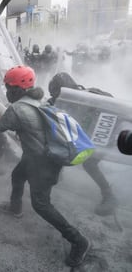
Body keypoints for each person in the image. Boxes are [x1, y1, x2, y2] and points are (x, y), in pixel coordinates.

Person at [0, 65, 90, 267]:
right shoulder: (37, 100)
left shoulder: (17, 109)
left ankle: (79, 241)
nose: (6, 91)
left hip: (43, 162)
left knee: (41, 204)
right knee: (17, 175)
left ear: (16, 89)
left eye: (8, 87)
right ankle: (15, 208)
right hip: (36, 156)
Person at [48, 72, 118, 216]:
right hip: (92, 137)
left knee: (89, 163)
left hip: (108, 137)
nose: (56, 98)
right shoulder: (72, 99)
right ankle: (56, 174)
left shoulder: (91, 96)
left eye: (57, 94)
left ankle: (109, 195)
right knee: (62, 141)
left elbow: (115, 109)